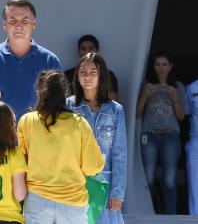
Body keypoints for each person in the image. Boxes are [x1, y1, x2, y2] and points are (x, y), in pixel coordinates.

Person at [18, 70, 105, 224]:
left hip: (37, 201)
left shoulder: (26, 121)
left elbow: (19, 163)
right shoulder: (79, 123)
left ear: (39, 92)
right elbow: (93, 167)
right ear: (65, 94)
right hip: (73, 204)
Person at [0, 0, 63, 121]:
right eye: (13, 21)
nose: (19, 26)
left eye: (25, 21)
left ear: (34, 24)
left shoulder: (50, 60)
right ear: (4, 25)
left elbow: (60, 103)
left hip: (38, 137)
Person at [66, 53, 127, 224]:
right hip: (75, 183)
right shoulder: (68, 106)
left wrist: (117, 193)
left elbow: (119, 155)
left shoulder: (116, 110)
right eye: (83, 72)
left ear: (101, 76)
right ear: (76, 76)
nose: (87, 76)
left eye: (93, 72)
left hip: (104, 184)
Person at [136, 50, 185, 214]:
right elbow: (136, 113)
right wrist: (144, 95)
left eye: (164, 64)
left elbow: (181, 116)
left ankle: (170, 216)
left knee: (170, 179)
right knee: (148, 177)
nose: (161, 68)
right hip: (149, 135)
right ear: (153, 66)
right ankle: (149, 213)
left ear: (171, 66)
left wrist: (175, 98)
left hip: (170, 135)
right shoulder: (146, 85)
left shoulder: (177, 86)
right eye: (158, 64)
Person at [64, 34, 119, 101]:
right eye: (83, 48)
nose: (87, 52)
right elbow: (64, 101)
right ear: (78, 51)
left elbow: (112, 101)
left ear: (97, 51)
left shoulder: (109, 75)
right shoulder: (67, 75)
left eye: (91, 48)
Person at [186, 78, 198, 215]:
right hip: (196, 139)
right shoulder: (192, 87)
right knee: (195, 181)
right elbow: (186, 111)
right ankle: (195, 217)